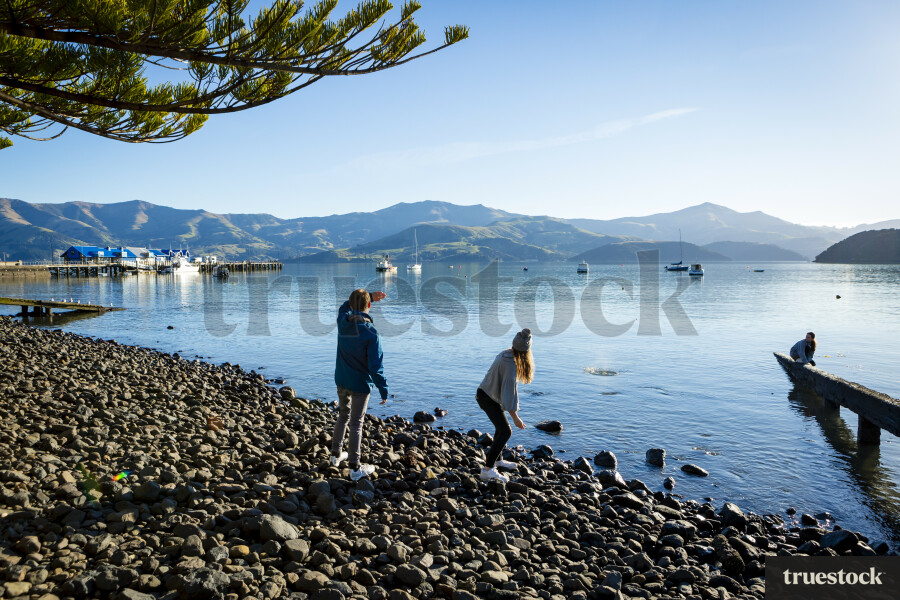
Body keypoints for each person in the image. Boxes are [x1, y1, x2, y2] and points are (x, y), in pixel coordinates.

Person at [330, 288, 388, 481]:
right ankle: (355, 467)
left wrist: (368, 296)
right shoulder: (371, 333)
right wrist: (383, 388)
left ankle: (335, 455)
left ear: (351, 305)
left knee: (343, 415)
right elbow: (375, 366)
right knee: (356, 423)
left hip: (342, 380)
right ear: (369, 307)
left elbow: (344, 307)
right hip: (360, 385)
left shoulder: (342, 321)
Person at [476, 328, 534, 483]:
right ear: (526, 351)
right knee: (506, 431)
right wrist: (515, 417)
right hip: (487, 398)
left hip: (487, 395)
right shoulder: (510, 364)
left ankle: (497, 461)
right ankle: (487, 470)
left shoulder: (506, 353)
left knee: (500, 428)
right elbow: (510, 393)